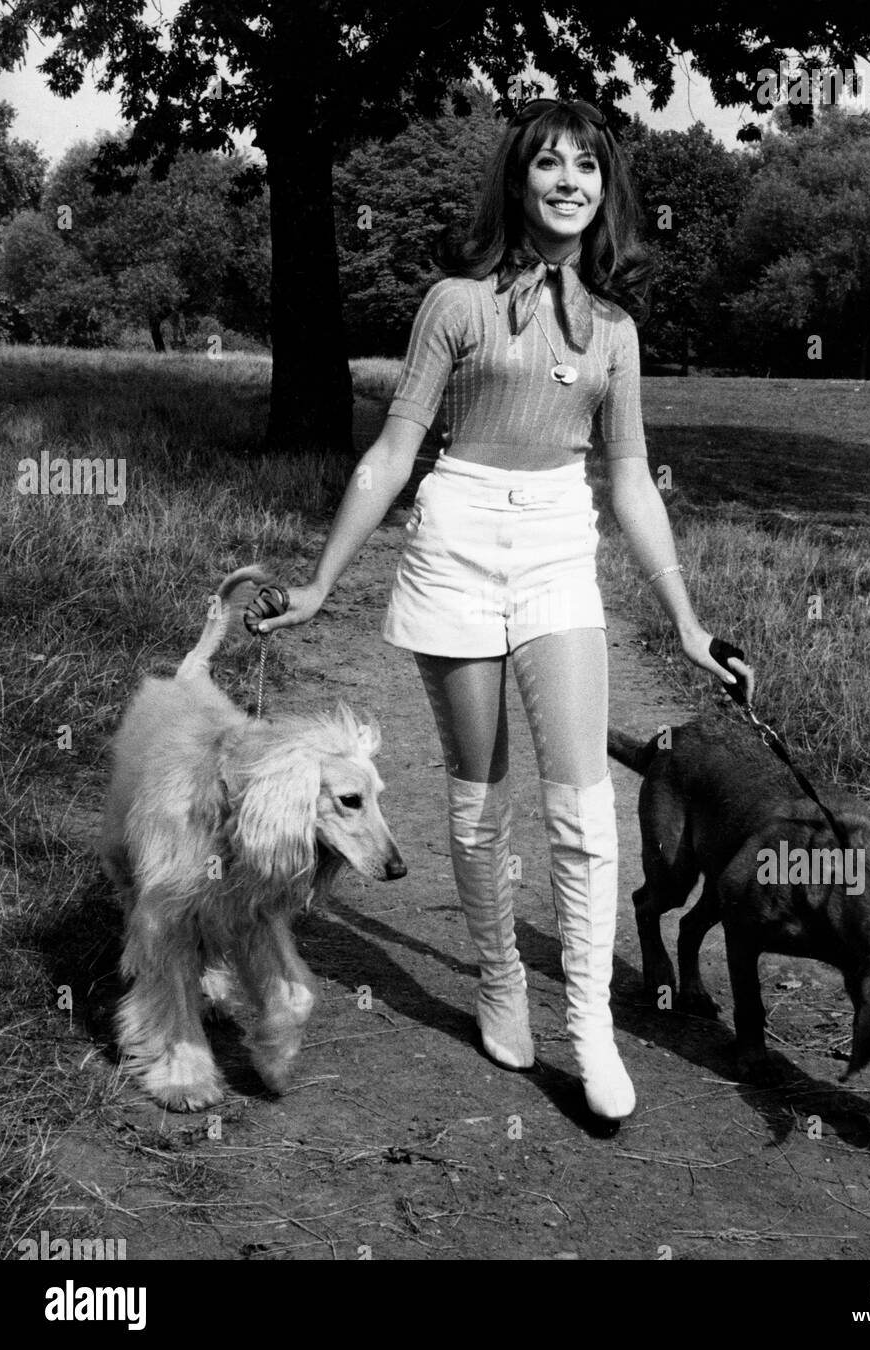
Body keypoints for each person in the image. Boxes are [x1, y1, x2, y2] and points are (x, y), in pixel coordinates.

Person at [246, 98, 749, 1125]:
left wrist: (688, 622)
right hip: (456, 540)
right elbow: (393, 451)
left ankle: (593, 1028)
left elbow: (631, 481)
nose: (569, 181)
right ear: (518, 183)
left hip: (558, 544)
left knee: (582, 802)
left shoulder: (615, 331)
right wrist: (318, 584)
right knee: (479, 796)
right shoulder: (454, 306)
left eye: (587, 170)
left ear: (604, 194)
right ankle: (500, 980)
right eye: (548, 165)